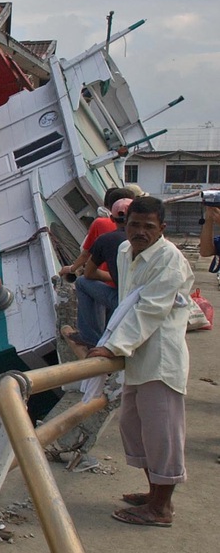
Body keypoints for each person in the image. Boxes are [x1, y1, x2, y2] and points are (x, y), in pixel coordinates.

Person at [88, 196, 194, 527]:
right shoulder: (123, 252)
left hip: (160, 357)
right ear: (125, 224)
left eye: (149, 226)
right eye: (134, 224)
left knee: (162, 433)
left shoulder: (169, 260)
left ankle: (162, 508)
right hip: (135, 353)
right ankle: (154, 493)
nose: (140, 232)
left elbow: (149, 309)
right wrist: (116, 342)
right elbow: (126, 301)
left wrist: (113, 346)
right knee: (134, 428)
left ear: (162, 229)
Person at [69, 197, 133, 347]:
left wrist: (116, 277)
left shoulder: (105, 238)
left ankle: (91, 337)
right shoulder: (150, 240)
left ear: (112, 218)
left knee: (83, 282)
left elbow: (89, 273)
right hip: (144, 298)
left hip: (122, 298)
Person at [58, 186, 136, 282]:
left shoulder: (101, 225)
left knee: (81, 282)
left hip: (109, 282)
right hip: (135, 283)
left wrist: (71, 269)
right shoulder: (142, 232)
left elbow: (85, 254)